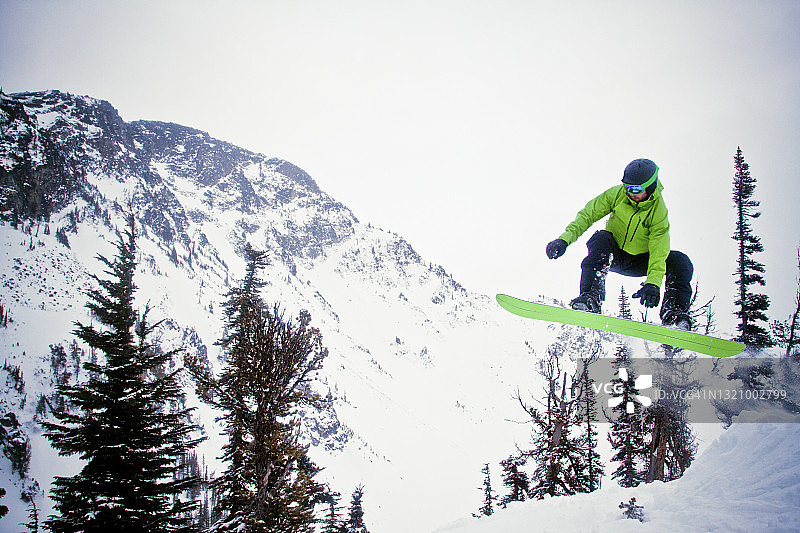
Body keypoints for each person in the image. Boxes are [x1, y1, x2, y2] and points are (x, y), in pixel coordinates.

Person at [545, 158, 694, 330]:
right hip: (611, 254)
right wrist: (564, 239)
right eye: (628, 187)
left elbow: (659, 248)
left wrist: (653, 283)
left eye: (637, 189)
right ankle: (591, 297)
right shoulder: (617, 195)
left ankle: (674, 314)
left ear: (651, 187)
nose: (631, 193)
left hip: (641, 261)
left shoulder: (658, 211)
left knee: (680, 261)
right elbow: (588, 214)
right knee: (600, 238)